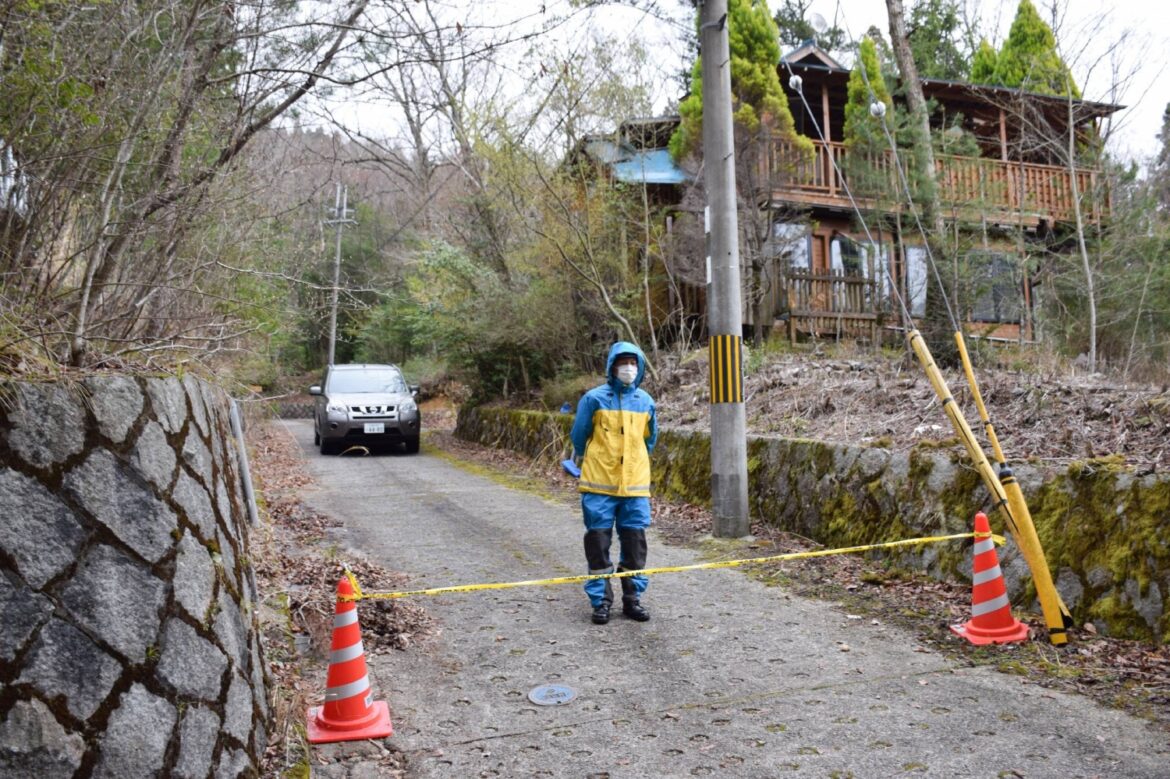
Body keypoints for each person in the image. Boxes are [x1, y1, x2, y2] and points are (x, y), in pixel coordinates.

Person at [570, 341, 658, 625]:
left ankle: (633, 599)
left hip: (635, 488)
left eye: (633, 363)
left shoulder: (645, 401)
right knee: (598, 544)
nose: (628, 368)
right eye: (623, 363)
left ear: (640, 366)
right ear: (612, 366)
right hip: (598, 486)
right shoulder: (594, 399)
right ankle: (601, 602)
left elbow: (650, 439)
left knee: (635, 545)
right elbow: (578, 436)